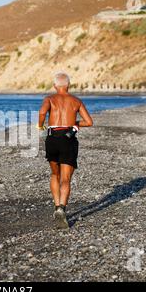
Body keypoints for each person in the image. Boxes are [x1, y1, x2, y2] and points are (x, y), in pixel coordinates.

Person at [37, 72, 93, 229]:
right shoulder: (76, 101)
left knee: (55, 174)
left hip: (52, 138)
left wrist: (41, 125)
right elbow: (89, 122)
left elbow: (42, 112)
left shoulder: (49, 99)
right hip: (68, 138)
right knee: (66, 178)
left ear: (55, 86)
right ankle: (62, 208)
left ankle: (56, 207)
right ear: (68, 85)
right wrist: (74, 123)